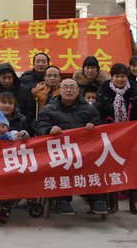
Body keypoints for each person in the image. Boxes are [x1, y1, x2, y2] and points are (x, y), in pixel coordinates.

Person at [36, 78, 107, 215]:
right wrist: (50, 129)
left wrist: (93, 127)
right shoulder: (48, 109)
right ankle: (62, 200)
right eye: (65, 87)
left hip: (85, 150)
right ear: (60, 90)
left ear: (78, 91)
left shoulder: (89, 109)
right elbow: (40, 128)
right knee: (61, 164)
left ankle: (97, 199)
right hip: (60, 151)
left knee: (96, 163)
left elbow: (99, 127)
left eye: (72, 87)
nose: (69, 90)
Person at [95, 63, 137, 214]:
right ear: (111, 77)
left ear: (127, 77)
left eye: (123, 76)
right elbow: (97, 112)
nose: (119, 79)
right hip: (111, 137)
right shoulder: (103, 92)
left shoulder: (136, 92)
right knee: (112, 168)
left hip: (132, 137)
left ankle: (133, 202)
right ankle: (113, 202)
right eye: (116, 76)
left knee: (134, 168)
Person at [0, 63, 35, 133]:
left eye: (9, 77)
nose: (7, 81)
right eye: (4, 78)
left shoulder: (24, 90)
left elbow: (31, 109)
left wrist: (23, 120)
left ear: (14, 77)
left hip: (20, 126)